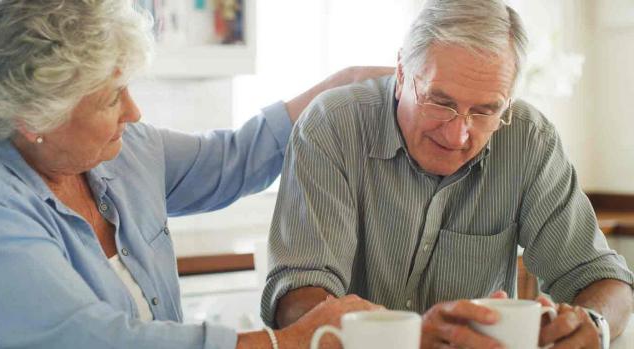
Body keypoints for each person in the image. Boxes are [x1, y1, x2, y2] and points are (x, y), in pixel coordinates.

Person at [0, 0, 391, 348]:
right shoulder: (3, 207)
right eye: (112, 99)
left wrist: (344, 83)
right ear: (35, 119)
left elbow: (233, 159)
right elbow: (93, 338)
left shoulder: (126, 150)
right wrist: (282, 343)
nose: (133, 112)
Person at [261, 0, 634, 348]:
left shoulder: (529, 139)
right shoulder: (332, 126)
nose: (458, 135)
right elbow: (298, 300)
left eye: (486, 111)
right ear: (403, 72)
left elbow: (604, 279)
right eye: (441, 103)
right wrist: (408, 337)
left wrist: (594, 324)